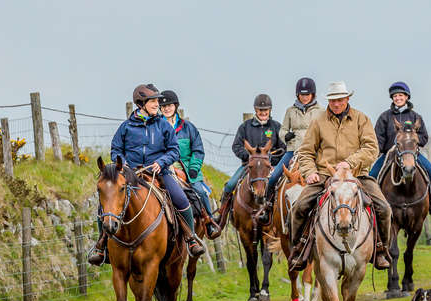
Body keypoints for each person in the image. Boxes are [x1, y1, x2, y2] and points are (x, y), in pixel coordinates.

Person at [87, 84, 204, 266]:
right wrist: (123, 163)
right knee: (105, 207)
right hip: (131, 174)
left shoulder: (163, 125)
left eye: (157, 101)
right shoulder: (126, 127)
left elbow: (174, 150)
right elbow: (116, 149)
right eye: (153, 101)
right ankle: (102, 246)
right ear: (141, 104)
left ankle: (191, 238)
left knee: (181, 199)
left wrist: (161, 162)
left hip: (159, 172)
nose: (157, 104)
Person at [289, 81, 392, 270]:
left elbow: (371, 148)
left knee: (384, 208)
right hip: (324, 176)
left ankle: (380, 249)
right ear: (328, 100)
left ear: (348, 98)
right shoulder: (318, 121)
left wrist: (350, 163)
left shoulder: (362, 119)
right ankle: (298, 248)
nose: (337, 104)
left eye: (340, 99)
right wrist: (310, 172)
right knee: (300, 206)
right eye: (333, 100)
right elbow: (305, 152)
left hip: (357, 176)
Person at [370, 81, 431, 217]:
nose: (398, 98)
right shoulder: (385, 117)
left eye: (400, 95)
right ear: (392, 98)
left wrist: (413, 143)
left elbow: (424, 137)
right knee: (372, 175)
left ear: (406, 97)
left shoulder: (416, 117)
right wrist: (381, 150)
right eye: (395, 96)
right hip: (390, 154)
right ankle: (369, 206)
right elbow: (379, 137)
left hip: (411, 154)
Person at [214, 94, 286, 227]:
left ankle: (283, 217)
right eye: (260, 110)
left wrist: (270, 160)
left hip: (270, 167)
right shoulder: (245, 127)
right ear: (255, 110)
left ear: (270, 110)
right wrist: (249, 157)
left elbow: (283, 147)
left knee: (282, 187)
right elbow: (236, 146)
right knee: (230, 185)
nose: (263, 112)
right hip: (249, 166)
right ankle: (222, 215)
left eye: (266, 110)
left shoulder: (276, 127)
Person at [258, 77, 324, 223]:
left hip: (314, 152)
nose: (305, 97)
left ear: (313, 94)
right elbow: (282, 131)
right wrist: (286, 136)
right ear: (297, 95)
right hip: (293, 150)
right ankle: (267, 208)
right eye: (302, 94)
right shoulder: (290, 111)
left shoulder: (321, 111)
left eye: (307, 94)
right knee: (274, 177)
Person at [159, 89, 221, 239]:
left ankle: (209, 221)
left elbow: (198, 150)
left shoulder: (188, 127)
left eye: (170, 105)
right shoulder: (157, 127)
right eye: (163, 106)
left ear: (176, 106)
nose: (167, 108)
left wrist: (194, 168)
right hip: (164, 168)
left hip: (187, 170)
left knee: (199, 191)